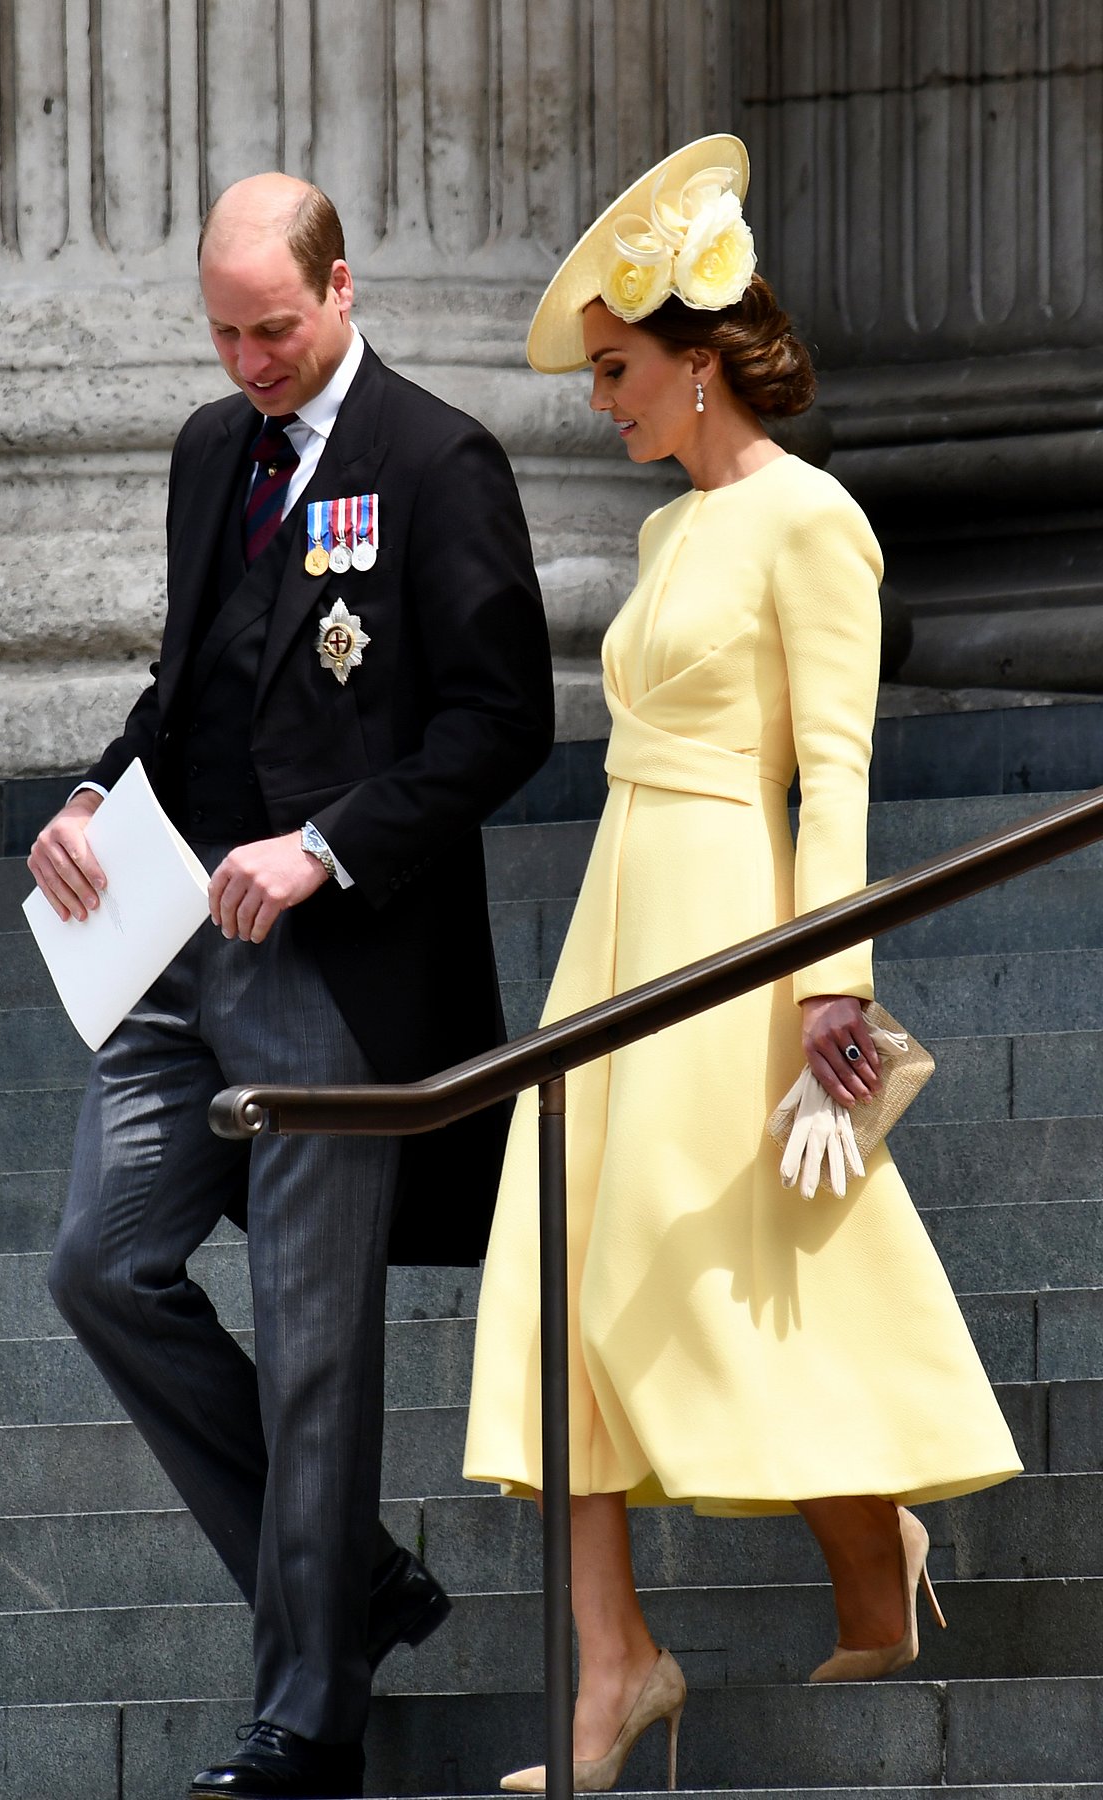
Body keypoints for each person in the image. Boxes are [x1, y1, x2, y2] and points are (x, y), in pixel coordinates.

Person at [462, 135, 1021, 1794]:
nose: (600, 404)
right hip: (618, 916)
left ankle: (872, 1544)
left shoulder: (812, 518)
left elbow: (833, 763)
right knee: (570, 1263)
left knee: (707, 1265)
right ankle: (617, 1660)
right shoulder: (662, 541)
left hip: (736, 929)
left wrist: (832, 980)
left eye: (621, 372)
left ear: (703, 368)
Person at [29, 172, 554, 1800]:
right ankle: (358, 1581)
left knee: (315, 1338)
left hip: (343, 970)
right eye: (224, 331)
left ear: (343, 288)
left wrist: (326, 845)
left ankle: (309, 1716)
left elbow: (500, 720)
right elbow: (189, 685)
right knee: (100, 1267)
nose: (248, 360)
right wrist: (91, 798)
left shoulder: (436, 456)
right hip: (178, 948)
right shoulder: (209, 451)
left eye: (272, 329)